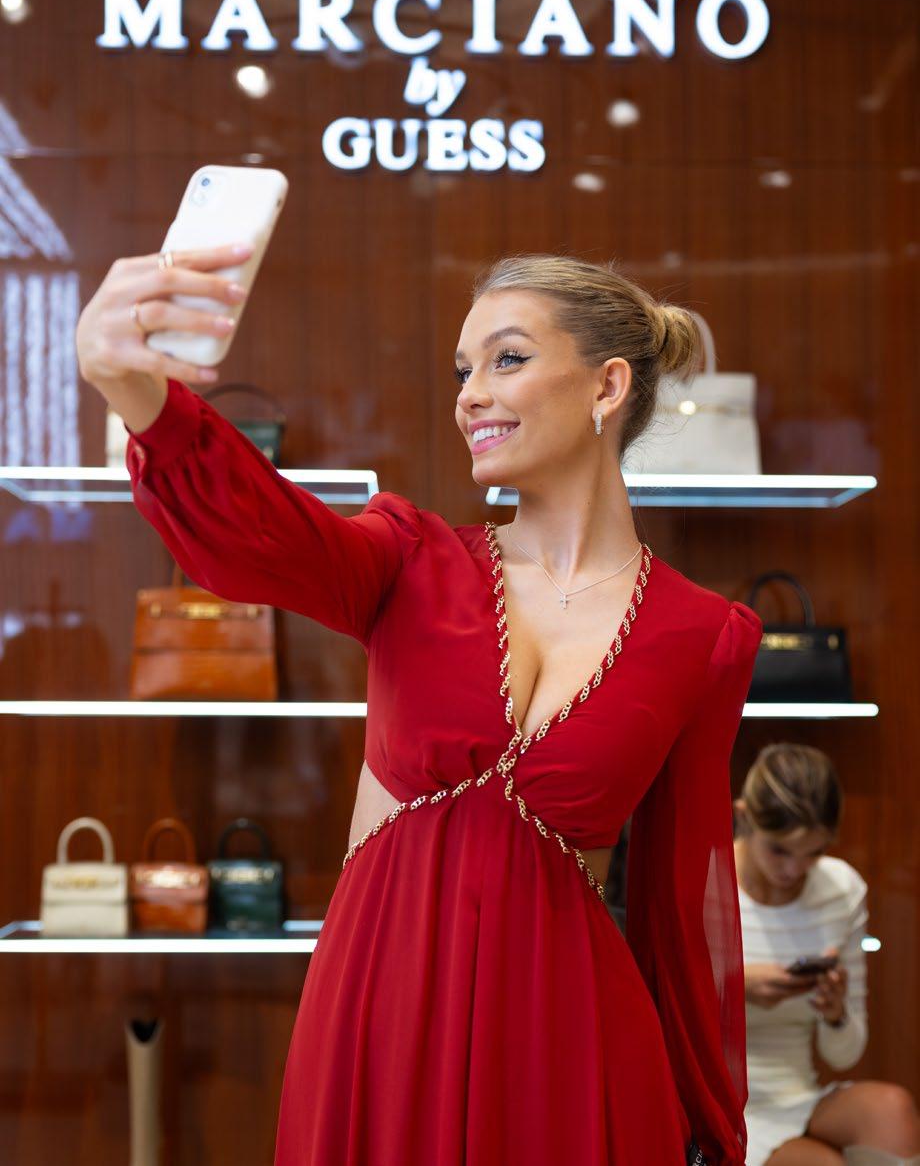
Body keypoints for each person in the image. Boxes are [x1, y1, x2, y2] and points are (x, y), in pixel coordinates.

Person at [77, 243, 764, 1165]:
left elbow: (684, 913)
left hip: (569, 1048)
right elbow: (263, 533)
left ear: (607, 386)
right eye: (462, 370)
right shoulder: (409, 558)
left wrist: (708, 1129)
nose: (471, 393)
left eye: (507, 358)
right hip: (379, 1023)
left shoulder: (706, 635)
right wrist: (140, 395)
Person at [735, 742, 920, 1166]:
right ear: (744, 817)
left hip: (796, 1094)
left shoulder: (841, 889)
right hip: (717, 1099)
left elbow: (843, 1055)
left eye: (814, 853)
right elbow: (656, 1012)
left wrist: (835, 1013)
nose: (793, 870)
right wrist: (736, 986)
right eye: (779, 849)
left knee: (891, 1110)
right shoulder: (705, 880)